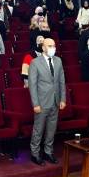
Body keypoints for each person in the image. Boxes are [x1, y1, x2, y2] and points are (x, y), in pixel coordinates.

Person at [27, 38, 66, 166]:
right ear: (43, 47)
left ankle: (48, 152)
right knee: (38, 130)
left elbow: (62, 81)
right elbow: (32, 85)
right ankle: (35, 153)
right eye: (49, 46)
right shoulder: (35, 62)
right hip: (42, 102)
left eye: (54, 45)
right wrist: (35, 104)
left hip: (55, 101)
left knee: (51, 129)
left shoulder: (58, 60)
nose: (52, 48)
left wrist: (63, 99)